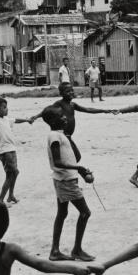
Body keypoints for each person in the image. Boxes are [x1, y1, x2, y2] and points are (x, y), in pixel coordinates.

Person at [42, 105, 95, 262]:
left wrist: (70, 139)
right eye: (61, 116)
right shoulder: (54, 137)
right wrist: (78, 168)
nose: (65, 118)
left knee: (62, 213)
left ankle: (55, 251)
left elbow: (76, 157)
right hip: (66, 180)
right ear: (52, 120)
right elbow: (58, 162)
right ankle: (76, 250)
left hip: (64, 178)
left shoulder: (60, 135)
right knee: (85, 213)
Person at [29, 82, 116, 161]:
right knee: (76, 157)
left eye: (72, 90)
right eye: (68, 91)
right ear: (61, 93)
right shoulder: (59, 104)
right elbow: (47, 111)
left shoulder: (72, 104)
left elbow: (87, 109)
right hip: (63, 135)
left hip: (68, 136)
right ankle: (74, 172)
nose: (71, 93)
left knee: (75, 157)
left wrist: (104, 110)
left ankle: (72, 171)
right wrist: (36, 116)